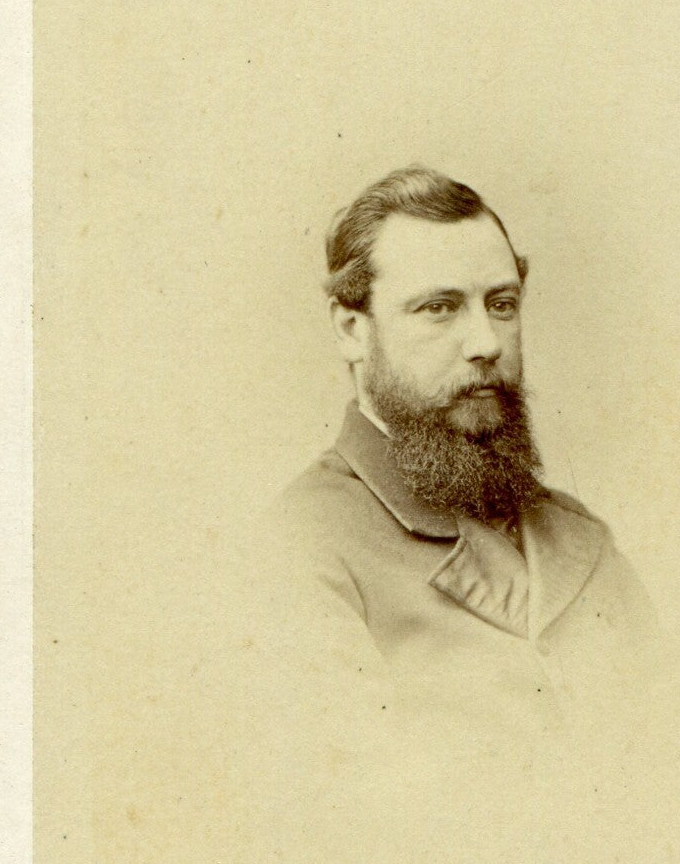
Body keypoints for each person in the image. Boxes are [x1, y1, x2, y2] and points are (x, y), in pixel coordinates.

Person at [270, 165, 658, 735]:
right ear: (352, 329)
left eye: (501, 304)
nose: (487, 344)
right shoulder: (299, 552)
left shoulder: (583, 542)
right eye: (439, 308)